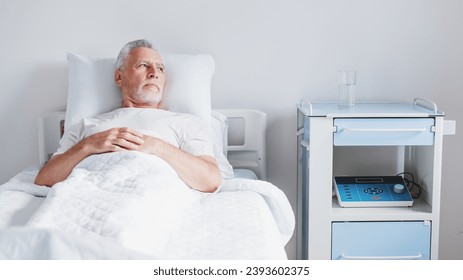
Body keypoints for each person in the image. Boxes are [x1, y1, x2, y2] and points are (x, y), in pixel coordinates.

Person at [34, 39, 221, 193]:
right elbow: (44, 179)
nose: (154, 73)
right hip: (90, 194)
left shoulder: (186, 123)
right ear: (119, 77)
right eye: (143, 65)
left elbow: (210, 180)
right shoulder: (87, 126)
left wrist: (157, 146)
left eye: (160, 69)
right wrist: (88, 145)